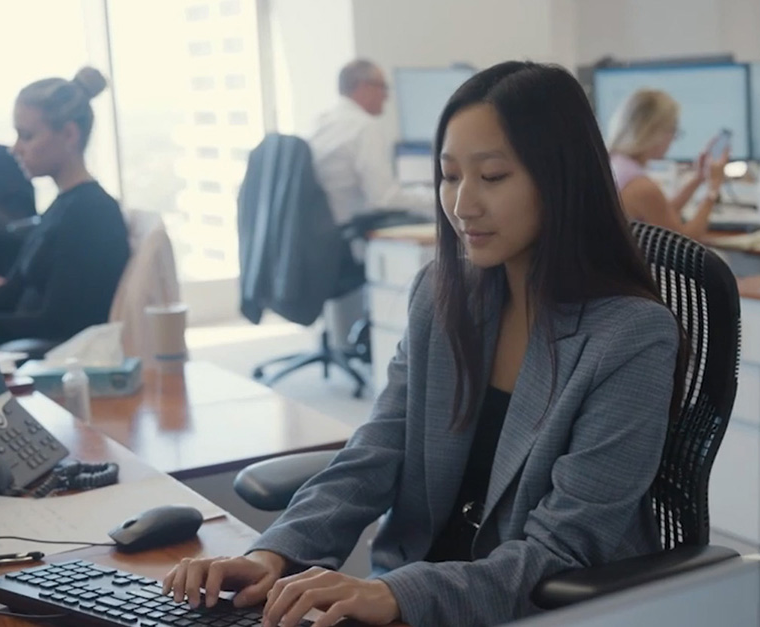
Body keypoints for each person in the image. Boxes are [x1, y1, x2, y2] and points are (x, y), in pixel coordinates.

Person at [162, 62, 686, 627]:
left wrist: (396, 595)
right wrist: (272, 554)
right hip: (410, 597)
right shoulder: (442, 296)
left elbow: (564, 550)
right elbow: (377, 450)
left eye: (492, 176)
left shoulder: (631, 337)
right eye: (450, 176)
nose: (462, 204)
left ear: (560, 179)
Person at [0, 67, 130, 345]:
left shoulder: (91, 215)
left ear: (69, 134)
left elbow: (55, 324)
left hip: (52, 355)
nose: (15, 148)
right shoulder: (63, 207)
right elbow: (11, 293)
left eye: (27, 136)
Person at [309, 59, 435, 225]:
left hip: (324, 228)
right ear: (364, 87)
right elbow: (384, 198)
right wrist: (436, 196)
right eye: (383, 87)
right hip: (351, 229)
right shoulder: (364, 126)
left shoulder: (322, 123)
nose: (386, 96)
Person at [606, 89, 729, 240]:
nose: (673, 139)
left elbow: (662, 211)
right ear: (655, 131)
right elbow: (685, 242)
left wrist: (699, 177)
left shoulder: (617, 163)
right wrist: (713, 190)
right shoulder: (640, 185)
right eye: (672, 130)